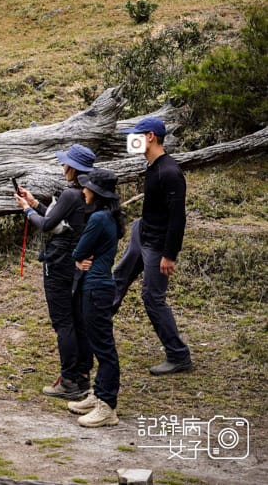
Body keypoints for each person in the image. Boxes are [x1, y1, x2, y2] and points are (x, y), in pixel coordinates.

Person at [15, 144, 96, 400]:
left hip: (59, 262)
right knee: (77, 320)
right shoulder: (90, 193)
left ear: (73, 168)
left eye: (66, 163)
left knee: (63, 322)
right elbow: (62, 223)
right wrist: (35, 203)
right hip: (77, 262)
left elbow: (48, 225)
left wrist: (27, 210)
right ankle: (82, 376)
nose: (63, 167)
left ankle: (69, 380)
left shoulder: (71, 195)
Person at [113, 117, 192, 375]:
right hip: (142, 233)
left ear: (149, 137)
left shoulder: (169, 172)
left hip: (157, 245)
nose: (130, 140)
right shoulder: (152, 166)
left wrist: (169, 254)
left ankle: (179, 356)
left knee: (152, 298)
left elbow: (177, 218)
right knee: (119, 279)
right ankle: (95, 325)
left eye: (134, 135)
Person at [67, 168, 125, 427]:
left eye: (87, 187)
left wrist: (78, 257)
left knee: (103, 347)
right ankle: (98, 394)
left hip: (96, 287)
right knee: (97, 342)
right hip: (99, 285)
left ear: (97, 192)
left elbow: (79, 251)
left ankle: (107, 406)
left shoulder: (99, 219)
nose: (83, 190)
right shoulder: (109, 216)